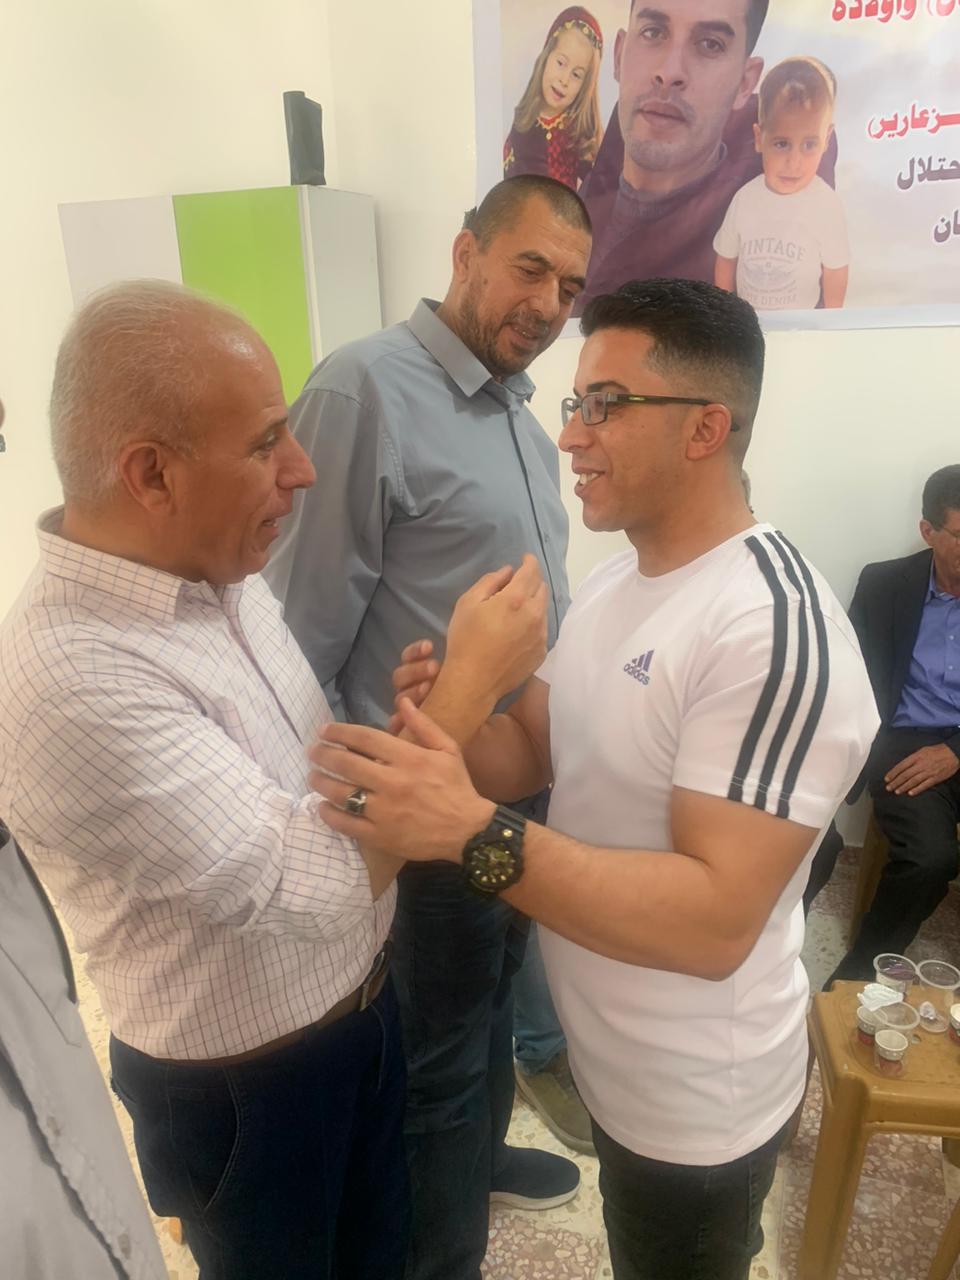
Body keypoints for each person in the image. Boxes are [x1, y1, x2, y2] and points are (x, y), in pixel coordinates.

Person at [307, 278, 879, 1280]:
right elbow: (537, 748)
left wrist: (467, 829)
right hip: (612, 1061)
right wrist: (457, 711)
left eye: (606, 404)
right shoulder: (621, 581)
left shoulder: (769, 628)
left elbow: (713, 923)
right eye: (576, 402)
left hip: (693, 1108)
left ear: (706, 427)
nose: (571, 435)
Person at [0, 282, 413, 1280]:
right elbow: (310, 884)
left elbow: (297, 789)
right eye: (267, 442)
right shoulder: (69, 675)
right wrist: (468, 700)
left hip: (359, 1012)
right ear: (151, 473)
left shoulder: (220, 573)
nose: (302, 468)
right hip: (249, 1090)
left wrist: (404, 738)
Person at [264, 175, 590, 1280]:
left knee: (488, 1010)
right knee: (435, 1058)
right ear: (466, 254)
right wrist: (337, 826)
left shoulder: (522, 418)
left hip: (512, 792)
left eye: (571, 288)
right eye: (531, 269)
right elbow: (297, 633)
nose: (549, 305)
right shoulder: (363, 389)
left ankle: (476, 1162)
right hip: (421, 809)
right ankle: (440, 1252)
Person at [575, 0, 837, 313]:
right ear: (619, 55)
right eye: (653, 32)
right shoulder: (577, 209)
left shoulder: (755, 218)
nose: (669, 73)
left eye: (710, 44)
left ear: (745, 83)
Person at [827, 465, 960, 985]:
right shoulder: (884, 584)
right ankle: (858, 978)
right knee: (929, 859)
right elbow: (849, 678)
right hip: (905, 743)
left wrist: (955, 751)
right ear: (928, 531)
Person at [714, 57, 848, 310]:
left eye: (809, 144)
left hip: (802, 324)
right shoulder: (745, 198)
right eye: (782, 144)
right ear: (759, 138)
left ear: (826, 140)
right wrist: (726, 311)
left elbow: (835, 270)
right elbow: (726, 258)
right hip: (749, 323)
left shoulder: (826, 204)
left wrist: (832, 320)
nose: (794, 162)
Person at [503, 6, 605, 190]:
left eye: (576, 75)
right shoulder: (523, 120)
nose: (564, 80)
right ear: (546, 57)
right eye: (560, 63)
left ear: (585, 87)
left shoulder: (579, 134)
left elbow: (599, 189)